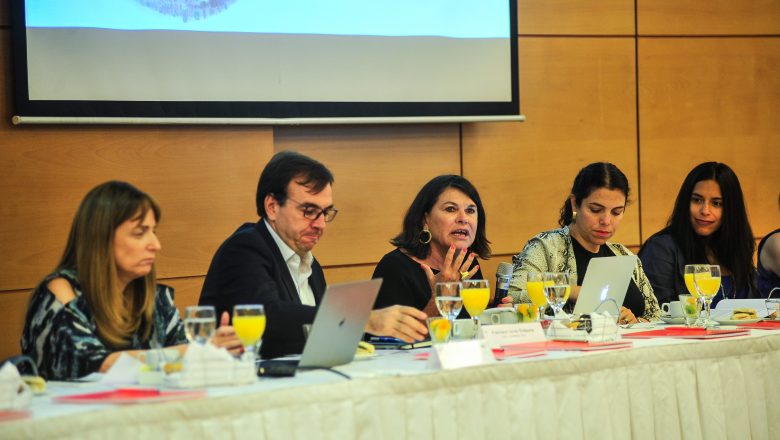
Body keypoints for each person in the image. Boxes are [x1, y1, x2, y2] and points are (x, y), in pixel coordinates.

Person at [199, 151, 427, 359]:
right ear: (272, 207)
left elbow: (316, 337)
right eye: (309, 211)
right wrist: (362, 319)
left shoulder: (310, 264)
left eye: (325, 212)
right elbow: (268, 315)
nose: (320, 224)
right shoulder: (244, 248)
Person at [21, 181, 241, 381]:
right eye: (139, 233)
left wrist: (213, 347)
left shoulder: (154, 299)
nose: (156, 245)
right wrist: (196, 351)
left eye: (154, 232)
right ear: (101, 238)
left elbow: (182, 354)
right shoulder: (63, 291)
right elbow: (92, 364)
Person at [505, 162, 660, 324]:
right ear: (575, 204)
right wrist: (568, 291)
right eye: (595, 210)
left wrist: (634, 322)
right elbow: (511, 298)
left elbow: (656, 315)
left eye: (616, 212)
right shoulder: (545, 247)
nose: (606, 221)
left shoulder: (623, 254)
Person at [639, 162, 758, 306]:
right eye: (697, 200)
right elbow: (657, 312)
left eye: (716, 203)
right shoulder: (661, 248)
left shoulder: (738, 246)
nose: (705, 211)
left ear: (731, 209)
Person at [372, 175, 491, 317]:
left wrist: (498, 310)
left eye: (470, 210)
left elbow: (471, 322)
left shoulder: (467, 263)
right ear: (425, 219)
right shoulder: (394, 267)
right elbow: (390, 332)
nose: (463, 218)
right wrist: (439, 299)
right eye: (451, 209)